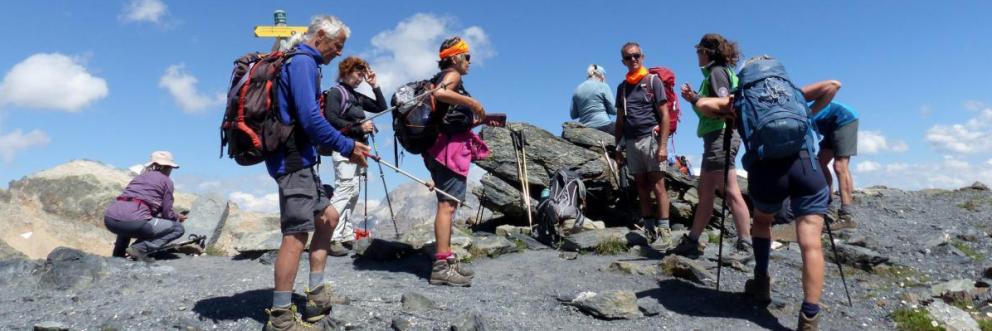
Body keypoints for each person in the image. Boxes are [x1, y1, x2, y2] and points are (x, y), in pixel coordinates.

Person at [694, 55, 834, 330]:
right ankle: (809, 317)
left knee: (762, 222)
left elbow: (704, 104)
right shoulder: (793, 94)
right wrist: (808, 113)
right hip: (806, 165)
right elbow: (833, 85)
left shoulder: (742, 99)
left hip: (766, 171)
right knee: (811, 243)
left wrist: (727, 108)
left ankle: (761, 281)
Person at [262, 15, 371, 331]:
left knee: (328, 218)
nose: (338, 52)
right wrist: (347, 145)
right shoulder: (303, 63)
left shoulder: (305, 64)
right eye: (337, 46)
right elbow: (310, 118)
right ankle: (281, 317)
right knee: (296, 233)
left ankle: (317, 295)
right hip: (292, 159)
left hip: (303, 158)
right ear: (321, 35)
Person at [673, 33, 752, 261]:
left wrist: (695, 98)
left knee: (730, 190)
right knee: (705, 192)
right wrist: (694, 98)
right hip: (715, 137)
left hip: (721, 134)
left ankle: (745, 243)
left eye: (698, 51)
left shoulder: (717, 73)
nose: (696, 55)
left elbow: (726, 105)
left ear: (706, 52)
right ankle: (693, 240)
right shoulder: (718, 72)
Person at [424, 36, 490, 287]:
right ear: (454, 58)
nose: (470, 61)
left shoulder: (446, 77)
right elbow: (439, 94)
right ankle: (441, 266)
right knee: (447, 205)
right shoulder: (452, 76)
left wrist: (479, 121)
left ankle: (448, 259)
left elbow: (449, 118)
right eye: (467, 56)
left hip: (440, 148)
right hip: (448, 150)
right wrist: (473, 102)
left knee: (447, 203)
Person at [322, 56, 388, 256]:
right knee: (344, 190)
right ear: (346, 72)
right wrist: (359, 126)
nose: (360, 78)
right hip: (344, 149)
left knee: (354, 191)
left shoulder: (356, 96)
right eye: (358, 74)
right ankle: (331, 237)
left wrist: (374, 85)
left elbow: (381, 107)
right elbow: (330, 119)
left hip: (359, 150)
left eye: (362, 75)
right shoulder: (336, 92)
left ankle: (345, 234)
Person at [613, 42, 673, 250]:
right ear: (623, 61)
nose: (633, 60)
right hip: (630, 141)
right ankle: (649, 228)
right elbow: (620, 120)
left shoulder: (653, 81)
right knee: (641, 185)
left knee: (658, 184)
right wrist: (618, 148)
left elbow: (665, 115)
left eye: (636, 56)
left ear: (643, 56)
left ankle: (664, 231)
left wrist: (663, 146)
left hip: (650, 138)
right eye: (629, 57)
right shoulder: (622, 88)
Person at [103, 151, 187, 261]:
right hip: (134, 222)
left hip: (110, 220)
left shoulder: (139, 177)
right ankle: (139, 249)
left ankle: (118, 255)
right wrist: (175, 219)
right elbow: (167, 213)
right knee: (177, 229)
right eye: (170, 168)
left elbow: (136, 203)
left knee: (129, 219)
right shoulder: (167, 181)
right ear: (167, 167)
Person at [802, 80, 858, 229]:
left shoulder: (798, 113)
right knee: (820, 163)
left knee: (840, 166)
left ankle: (847, 215)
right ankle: (828, 203)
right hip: (829, 127)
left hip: (844, 119)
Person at [570, 64, 616, 134]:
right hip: (604, 125)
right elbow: (614, 110)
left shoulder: (577, 90)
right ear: (601, 75)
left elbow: (573, 115)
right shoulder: (603, 86)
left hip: (585, 128)